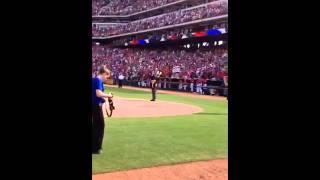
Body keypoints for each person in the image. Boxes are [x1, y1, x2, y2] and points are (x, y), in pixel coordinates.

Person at [92, 65, 113, 154]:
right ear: (104, 73)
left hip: (94, 105)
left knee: (95, 126)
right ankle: (96, 148)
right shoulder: (98, 80)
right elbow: (98, 93)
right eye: (107, 76)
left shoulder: (93, 79)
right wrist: (109, 96)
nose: (107, 78)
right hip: (96, 105)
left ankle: (94, 147)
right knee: (100, 125)